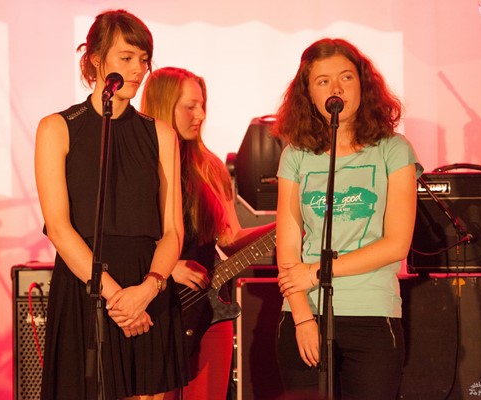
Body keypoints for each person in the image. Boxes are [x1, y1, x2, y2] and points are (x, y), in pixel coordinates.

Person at [34, 10, 188, 400]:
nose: (138, 69)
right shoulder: (57, 128)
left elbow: (173, 230)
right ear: (95, 59)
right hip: (87, 283)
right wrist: (117, 297)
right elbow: (59, 228)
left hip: (147, 284)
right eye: (127, 57)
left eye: (144, 59)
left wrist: (146, 291)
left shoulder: (160, 134)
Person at [272, 38, 423, 400]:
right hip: (304, 313)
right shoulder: (296, 155)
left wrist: (316, 272)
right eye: (323, 81)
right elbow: (288, 245)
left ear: (363, 84)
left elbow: (396, 244)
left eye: (346, 77)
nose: (335, 88)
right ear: (309, 93)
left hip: (372, 313)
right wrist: (302, 317)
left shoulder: (393, 149)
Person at [141, 67, 275, 400]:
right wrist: (167, 268)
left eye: (202, 105)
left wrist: (285, 226)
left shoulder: (209, 165)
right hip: (154, 309)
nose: (200, 115)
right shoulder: (139, 165)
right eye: (190, 106)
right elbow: (119, 243)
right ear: (163, 106)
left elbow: (230, 239)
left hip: (210, 310)